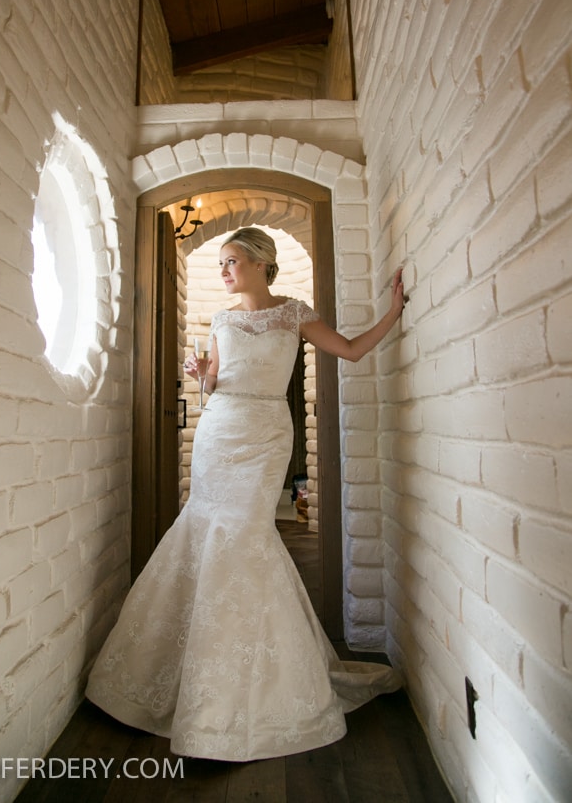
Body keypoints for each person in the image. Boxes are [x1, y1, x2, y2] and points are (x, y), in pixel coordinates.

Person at [86, 227, 406, 762]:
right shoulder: (223, 319)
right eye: (222, 264)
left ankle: (245, 690)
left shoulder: (294, 312)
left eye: (232, 261)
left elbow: (349, 351)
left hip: (265, 435)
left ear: (260, 262)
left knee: (245, 537)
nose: (226, 272)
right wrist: (202, 375)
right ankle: (177, 680)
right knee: (205, 531)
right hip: (220, 432)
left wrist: (394, 312)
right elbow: (212, 383)